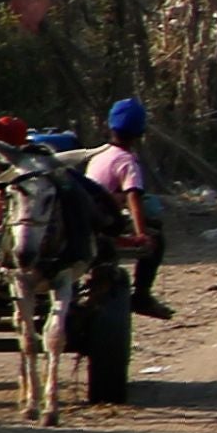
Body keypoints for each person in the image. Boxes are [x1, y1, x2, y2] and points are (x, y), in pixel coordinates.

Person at [81, 98, 168, 318]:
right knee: (156, 237)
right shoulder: (128, 161)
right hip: (105, 223)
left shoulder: (100, 155)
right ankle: (142, 295)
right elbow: (134, 198)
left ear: (110, 126)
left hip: (88, 218)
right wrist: (141, 235)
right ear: (140, 132)